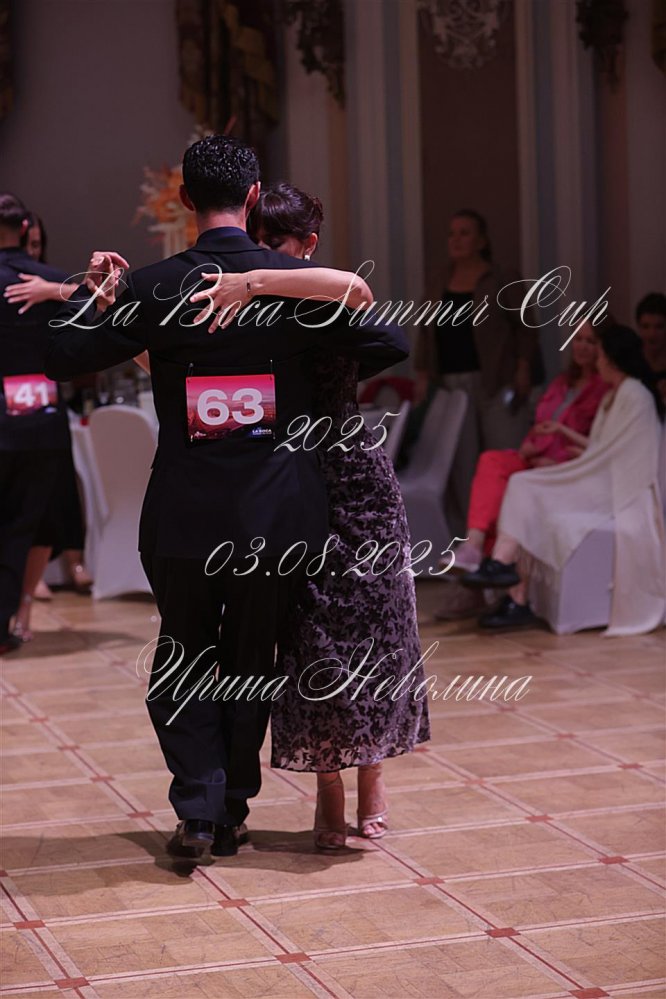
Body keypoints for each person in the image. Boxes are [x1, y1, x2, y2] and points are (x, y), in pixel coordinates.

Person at [45, 135, 409, 859]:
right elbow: (390, 341)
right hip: (278, 515)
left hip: (184, 512)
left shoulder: (153, 286)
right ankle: (231, 808)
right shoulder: (291, 284)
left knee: (183, 653)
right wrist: (283, 294)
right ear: (253, 196)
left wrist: (89, 292)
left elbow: (63, 356)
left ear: (185, 199)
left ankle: (200, 809)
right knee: (251, 660)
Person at [193, 182, 430, 849]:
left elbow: (373, 311)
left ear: (307, 246)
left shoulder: (319, 296)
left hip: (357, 479)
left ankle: (373, 774)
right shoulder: (245, 311)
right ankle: (329, 784)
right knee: (309, 636)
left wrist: (258, 280)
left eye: (276, 243)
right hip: (287, 482)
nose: (263, 252)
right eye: (257, 241)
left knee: (377, 634)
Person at [461, 325, 665, 636]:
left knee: (525, 486)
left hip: (621, 489)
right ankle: (515, 592)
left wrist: (571, 468)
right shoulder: (616, 394)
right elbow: (603, 447)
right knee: (525, 486)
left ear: (612, 359)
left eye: (600, 355)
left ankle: (503, 568)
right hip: (603, 477)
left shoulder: (634, 395)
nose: (597, 362)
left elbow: (625, 458)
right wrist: (565, 434)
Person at [413, 209, 544, 535]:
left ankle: (511, 535)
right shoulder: (440, 280)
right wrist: (423, 373)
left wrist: (523, 367)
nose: (456, 240)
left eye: (464, 233)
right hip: (452, 385)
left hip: (496, 380)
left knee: (504, 454)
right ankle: (468, 537)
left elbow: (526, 327)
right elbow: (426, 330)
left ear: (482, 240)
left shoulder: (501, 278)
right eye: (452, 234)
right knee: (462, 464)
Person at [452, 321, 607, 575]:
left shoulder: (604, 391)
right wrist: (528, 445)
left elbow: (599, 446)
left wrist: (557, 462)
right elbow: (540, 424)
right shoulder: (562, 382)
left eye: (590, 341)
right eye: (578, 339)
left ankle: (481, 576)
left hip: (565, 468)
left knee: (506, 491)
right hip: (536, 457)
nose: (582, 347)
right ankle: (473, 544)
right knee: (491, 461)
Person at [0, 194, 72, 654]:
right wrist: (54, 291)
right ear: (26, 228)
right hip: (41, 422)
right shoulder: (48, 280)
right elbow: (102, 307)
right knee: (21, 526)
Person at [636, 292, 666, 404]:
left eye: (659, 327)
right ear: (638, 327)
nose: (652, 334)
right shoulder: (631, 359)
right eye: (646, 327)